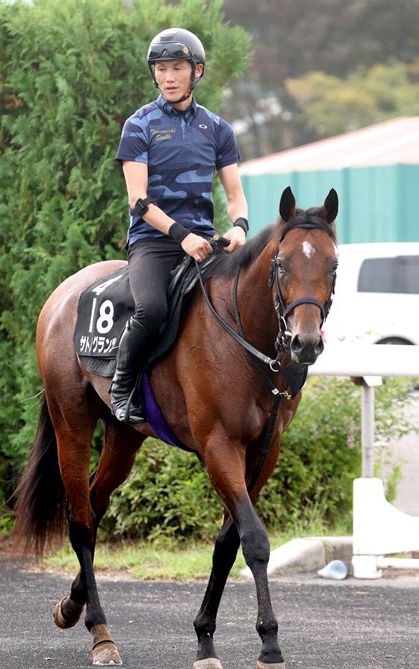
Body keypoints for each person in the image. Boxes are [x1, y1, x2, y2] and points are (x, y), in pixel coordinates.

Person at [111, 27, 249, 423]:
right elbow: (138, 199)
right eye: (160, 68)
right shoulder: (138, 126)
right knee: (152, 309)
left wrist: (238, 226)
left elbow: (234, 193)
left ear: (197, 72)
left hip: (204, 242)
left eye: (176, 68)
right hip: (154, 242)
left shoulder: (218, 128)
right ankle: (122, 386)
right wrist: (181, 235)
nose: (168, 77)